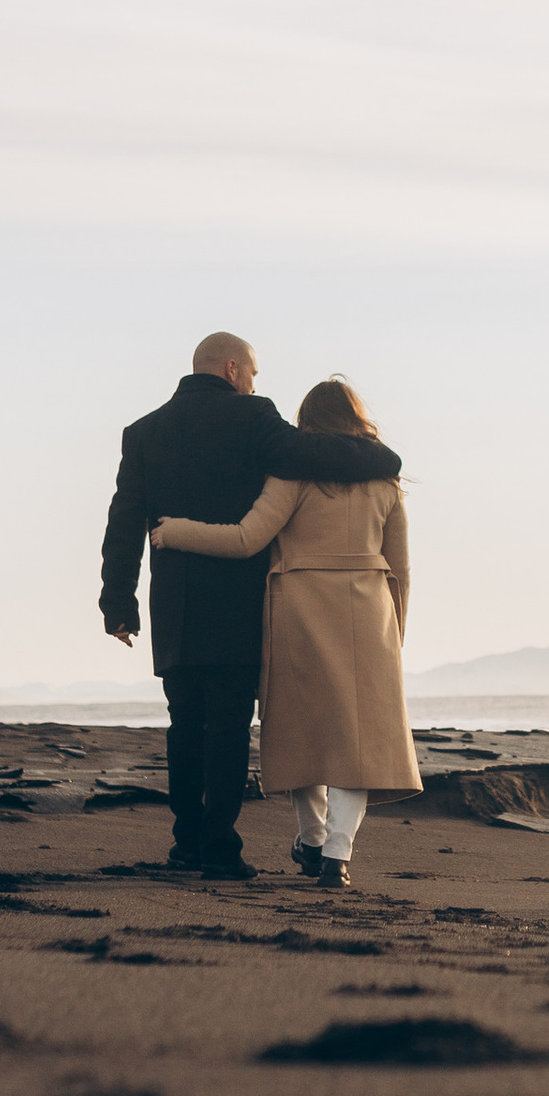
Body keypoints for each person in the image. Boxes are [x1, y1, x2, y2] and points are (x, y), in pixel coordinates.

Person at [99, 332, 402, 877]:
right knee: (229, 727)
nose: (257, 383)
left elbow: (123, 521)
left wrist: (117, 601)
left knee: (184, 724)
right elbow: (316, 453)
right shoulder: (254, 418)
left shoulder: (142, 432)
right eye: (255, 373)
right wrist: (384, 455)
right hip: (238, 604)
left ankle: (185, 844)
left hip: (177, 604)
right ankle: (220, 848)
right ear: (233, 369)